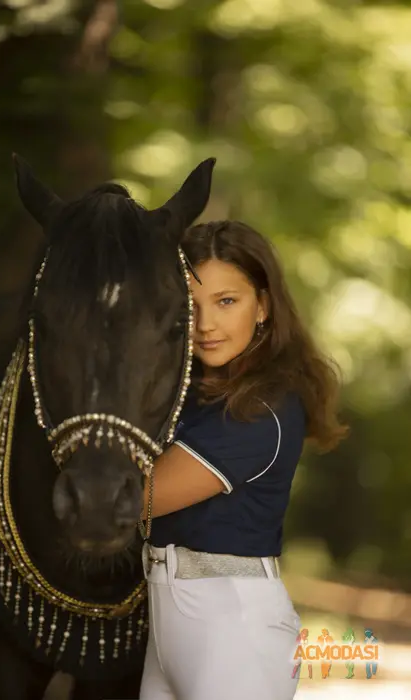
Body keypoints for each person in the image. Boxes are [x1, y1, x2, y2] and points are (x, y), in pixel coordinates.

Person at [138, 220, 348, 700]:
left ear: (264, 307)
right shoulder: (194, 393)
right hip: (168, 622)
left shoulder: (262, 408)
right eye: (190, 306)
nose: (205, 324)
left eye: (225, 301)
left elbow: (137, 499)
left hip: (231, 629)